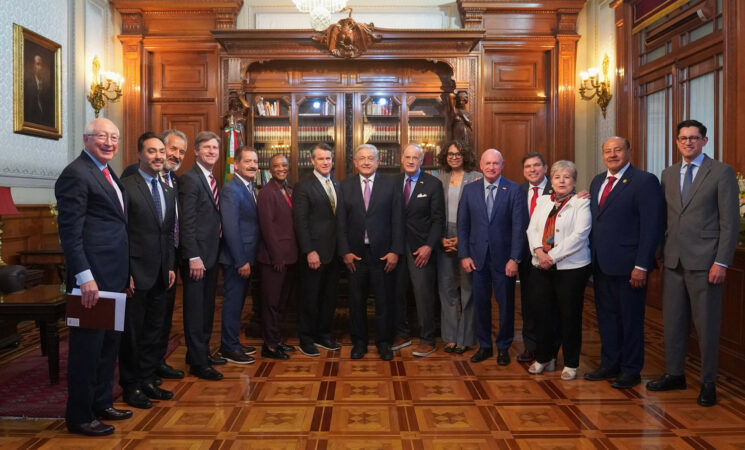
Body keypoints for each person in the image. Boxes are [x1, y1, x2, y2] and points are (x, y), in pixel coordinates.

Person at [647, 119, 740, 406]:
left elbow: (730, 222)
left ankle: (708, 383)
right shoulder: (668, 173)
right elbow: (664, 217)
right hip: (673, 261)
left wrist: (722, 262)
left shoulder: (721, 172)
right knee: (673, 323)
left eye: (694, 138)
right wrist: (661, 252)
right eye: (683, 138)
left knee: (707, 326)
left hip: (706, 262)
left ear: (704, 141)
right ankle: (675, 374)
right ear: (677, 142)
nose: (688, 142)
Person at [55, 118, 132, 436]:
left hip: (113, 277)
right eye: (102, 136)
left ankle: (102, 402)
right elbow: (70, 233)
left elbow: (117, 225)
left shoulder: (106, 172)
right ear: (86, 138)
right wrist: (84, 277)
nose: (109, 142)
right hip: (92, 281)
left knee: (107, 347)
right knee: (87, 350)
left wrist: (126, 274)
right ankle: (80, 416)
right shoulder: (75, 174)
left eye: (114, 137)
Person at [585, 137, 664, 389]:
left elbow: (651, 227)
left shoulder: (645, 181)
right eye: (607, 151)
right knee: (607, 318)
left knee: (630, 320)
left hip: (630, 267)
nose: (612, 155)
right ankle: (610, 364)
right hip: (601, 265)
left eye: (618, 150)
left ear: (629, 151)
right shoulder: (598, 181)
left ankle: (631, 370)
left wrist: (641, 265)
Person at [119, 132, 177, 408]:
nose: (158, 156)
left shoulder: (167, 188)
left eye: (161, 152)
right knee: (133, 333)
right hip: (135, 273)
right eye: (151, 151)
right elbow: (122, 233)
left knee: (154, 330)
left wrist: (170, 267)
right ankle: (131, 386)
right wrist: (125, 271)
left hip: (161, 272)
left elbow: (166, 234)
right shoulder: (127, 186)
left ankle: (148, 379)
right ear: (140, 154)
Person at [458, 149, 527, 366]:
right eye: (487, 163)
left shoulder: (514, 190)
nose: (491, 167)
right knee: (480, 304)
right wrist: (464, 255)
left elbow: (519, 227)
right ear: (481, 164)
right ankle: (485, 346)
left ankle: (504, 347)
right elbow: (463, 225)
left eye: (495, 163)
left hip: (504, 259)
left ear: (502, 164)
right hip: (477, 258)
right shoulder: (469, 190)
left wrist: (514, 258)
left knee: (506, 304)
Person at [525, 160, 591, 381]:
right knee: (542, 314)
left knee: (569, 315)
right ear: (551, 180)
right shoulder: (543, 201)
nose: (562, 181)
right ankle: (545, 357)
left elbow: (580, 236)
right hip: (540, 265)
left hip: (571, 268)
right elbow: (532, 228)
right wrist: (539, 252)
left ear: (574, 181)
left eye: (567, 177)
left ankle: (571, 362)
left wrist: (551, 256)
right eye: (557, 177)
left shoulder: (581, 203)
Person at [338, 144, 404, 361]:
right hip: (355, 255)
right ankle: (359, 342)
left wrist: (395, 250)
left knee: (384, 300)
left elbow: (397, 219)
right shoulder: (345, 185)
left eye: (371, 158)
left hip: (383, 254)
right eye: (362, 158)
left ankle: (384, 342)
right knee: (356, 301)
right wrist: (345, 251)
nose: (366, 162)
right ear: (355, 163)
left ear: (378, 161)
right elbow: (340, 223)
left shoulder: (391, 184)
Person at [392, 143, 445, 357]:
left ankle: (427, 338)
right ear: (401, 159)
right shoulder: (392, 183)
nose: (411, 160)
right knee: (397, 292)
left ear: (422, 161)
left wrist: (429, 246)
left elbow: (438, 220)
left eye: (415, 157)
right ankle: (402, 334)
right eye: (407, 157)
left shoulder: (433, 184)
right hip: (396, 247)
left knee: (423, 295)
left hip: (421, 249)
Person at [179, 131, 224, 380]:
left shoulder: (210, 178)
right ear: (196, 151)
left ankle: (201, 352)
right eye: (207, 148)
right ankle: (198, 362)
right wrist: (193, 256)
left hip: (211, 254)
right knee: (196, 311)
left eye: (215, 148)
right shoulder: (190, 178)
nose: (212, 152)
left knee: (207, 308)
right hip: (197, 258)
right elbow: (187, 222)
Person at [292, 143, 343, 356]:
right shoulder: (303, 186)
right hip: (314, 253)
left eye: (328, 159)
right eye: (321, 159)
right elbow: (300, 222)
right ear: (312, 161)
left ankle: (324, 335)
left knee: (329, 297)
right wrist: (309, 251)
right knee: (310, 297)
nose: (325, 162)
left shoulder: (337, 184)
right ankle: (306, 338)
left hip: (334, 252)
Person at [436, 140, 480, 354]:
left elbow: (480, 216)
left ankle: (466, 337)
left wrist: (462, 240)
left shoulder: (476, 177)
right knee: (447, 289)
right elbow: (433, 212)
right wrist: (441, 238)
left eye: (458, 153)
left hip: (468, 237)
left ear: (466, 155)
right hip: (443, 236)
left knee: (468, 290)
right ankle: (451, 337)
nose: (454, 157)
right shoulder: (438, 177)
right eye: (450, 153)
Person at [217, 146, 261, 364]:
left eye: (255, 161)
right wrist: (241, 260)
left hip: (246, 257)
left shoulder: (248, 187)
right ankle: (228, 347)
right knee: (233, 303)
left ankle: (233, 341)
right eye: (248, 162)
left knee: (239, 303)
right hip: (237, 259)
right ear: (236, 165)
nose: (253, 165)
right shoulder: (231, 189)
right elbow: (231, 228)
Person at [153, 129, 188, 381]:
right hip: (148, 263)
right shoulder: (140, 177)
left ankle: (158, 362)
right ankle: (144, 372)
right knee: (148, 322)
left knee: (163, 318)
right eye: (172, 149)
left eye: (181, 152)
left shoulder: (173, 180)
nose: (176, 155)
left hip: (170, 259)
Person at [256, 154, 297, 360]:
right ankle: (269, 346)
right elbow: (267, 227)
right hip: (274, 259)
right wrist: (276, 256)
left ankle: (277, 340)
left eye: (284, 165)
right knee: (271, 304)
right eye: (276, 166)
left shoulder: (288, 190)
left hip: (290, 257)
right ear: (269, 170)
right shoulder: (266, 192)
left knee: (282, 303)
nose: (281, 168)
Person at [517, 152, 554, 364]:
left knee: (550, 305)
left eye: (537, 165)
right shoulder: (518, 191)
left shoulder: (559, 187)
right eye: (528, 166)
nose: (532, 170)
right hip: (525, 257)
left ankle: (548, 350)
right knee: (528, 305)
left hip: (552, 258)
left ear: (545, 168)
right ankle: (530, 347)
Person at [24, 54, 54, 127]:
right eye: (38, 64)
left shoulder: (46, 86)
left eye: (41, 65)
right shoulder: (28, 84)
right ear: (33, 66)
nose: (40, 68)